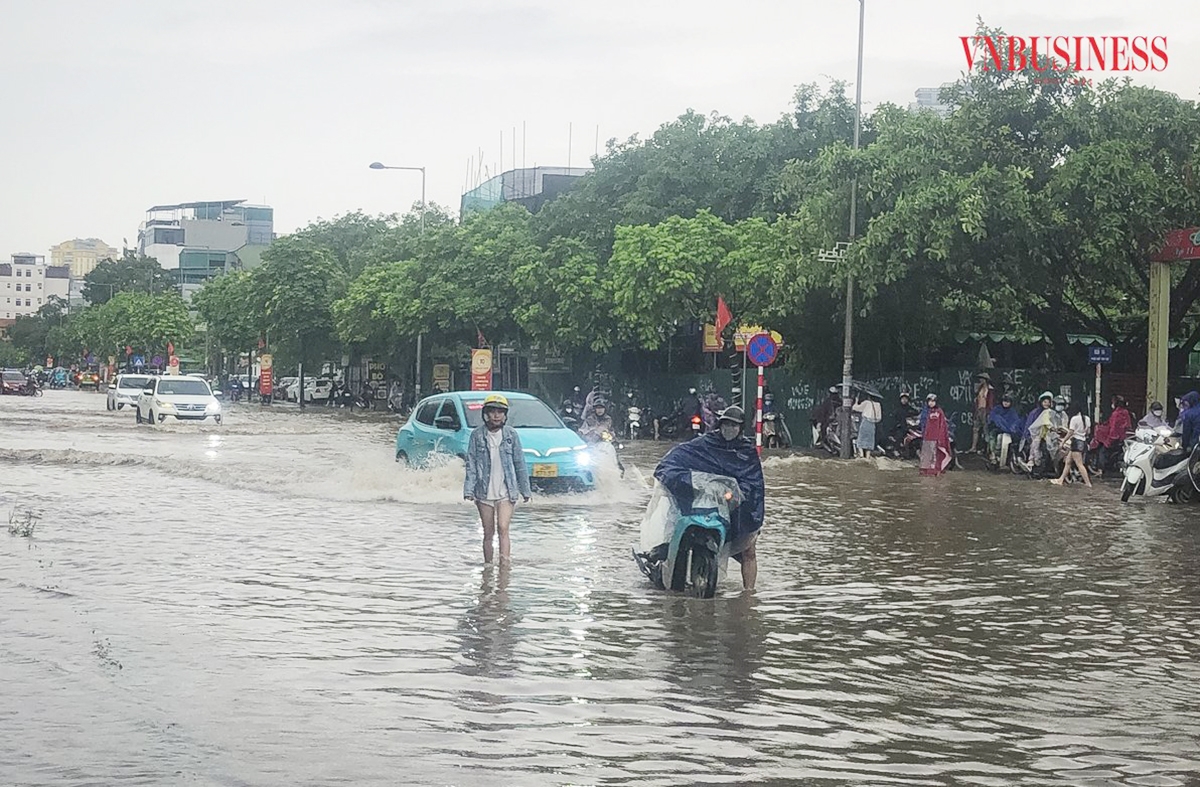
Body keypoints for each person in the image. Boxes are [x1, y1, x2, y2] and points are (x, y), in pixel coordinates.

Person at [652, 406, 765, 591]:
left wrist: (740, 493)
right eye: (726, 424)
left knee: (749, 551)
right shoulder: (705, 443)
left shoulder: (746, 452)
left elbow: (754, 484)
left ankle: (749, 595)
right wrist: (684, 481)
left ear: (741, 428)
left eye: (734, 425)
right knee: (676, 529)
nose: (729, 429)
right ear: (720, 425)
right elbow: (676, 459)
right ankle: (666, 566)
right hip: (704, 503)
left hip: (733, 506)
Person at [463, 394, 532, 564]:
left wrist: (525, 490)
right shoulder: (477, 435)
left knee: (503, 527)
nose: (496, 415)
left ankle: (504, 565)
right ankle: (488, 566)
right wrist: (469, 489)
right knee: (488, 532)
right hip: (483, 490)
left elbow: (519, 463)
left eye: (500, 412)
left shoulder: (511, 435)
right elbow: (471, 463)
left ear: (505, 415)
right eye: (492, 411)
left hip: (507, 490)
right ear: (486, 414)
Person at [1089, 395, 1133, 474]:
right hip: (1123, 438)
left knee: (1102, 452)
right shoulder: (1126, 412)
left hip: (1114, 438)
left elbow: (1113, 428)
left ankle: (1100, 470)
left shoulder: (1115, 414)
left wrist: (1108, 441)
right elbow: (1127, 425)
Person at [1051, 402, 1093, 487]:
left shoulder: (1074, 419)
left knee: (1079, 464)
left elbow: (1070, 432)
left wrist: (1063, 441)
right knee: (1068, 462)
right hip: (1083, 442)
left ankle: (1088, 483)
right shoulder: (1087, 418)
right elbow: (1088, 431)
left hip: (1076, 443)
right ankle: (1061, 480)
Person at [919, 394, 953, 476]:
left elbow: (942, 425)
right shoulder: (925, 411)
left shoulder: (939, 411)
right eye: (929, 401)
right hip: (927, 436)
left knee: (935, 454)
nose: (931, 403)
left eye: (933, 401)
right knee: (926, 453)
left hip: (936, 437)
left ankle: (935, 470)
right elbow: (923, 423)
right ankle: (925, 470)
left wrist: (940, 437)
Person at [986, 393, 1023, 459]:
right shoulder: (997, 409)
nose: (1005, 403)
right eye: (1004, 401)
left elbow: (1016, 421)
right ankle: (993, 453)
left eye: (1008, 402)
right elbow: (992, 418)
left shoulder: (1012, 411)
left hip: (1009, 431)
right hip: (996, 429)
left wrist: (1012, 428)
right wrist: (997, 424)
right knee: (993, 436)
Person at [966, 373, 995, 454]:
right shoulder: (980, 388)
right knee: (975, 429)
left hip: (985, 410)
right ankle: (973, 447)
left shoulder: (990, 390)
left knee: (986, 430)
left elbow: (991, 402)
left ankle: (988, 449)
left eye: (982, 379)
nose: (980, 380)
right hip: (979, 410)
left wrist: (989, 412)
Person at [852, 391, 882, 458]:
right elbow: (879, 418)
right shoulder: (878, 405)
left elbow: (856, 408)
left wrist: (856, 401)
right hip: (873, 424)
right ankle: (868, 457)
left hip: (865, 422)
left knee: (861, 439)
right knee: (869, 441)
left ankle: (861, 454)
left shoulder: (867, 403)